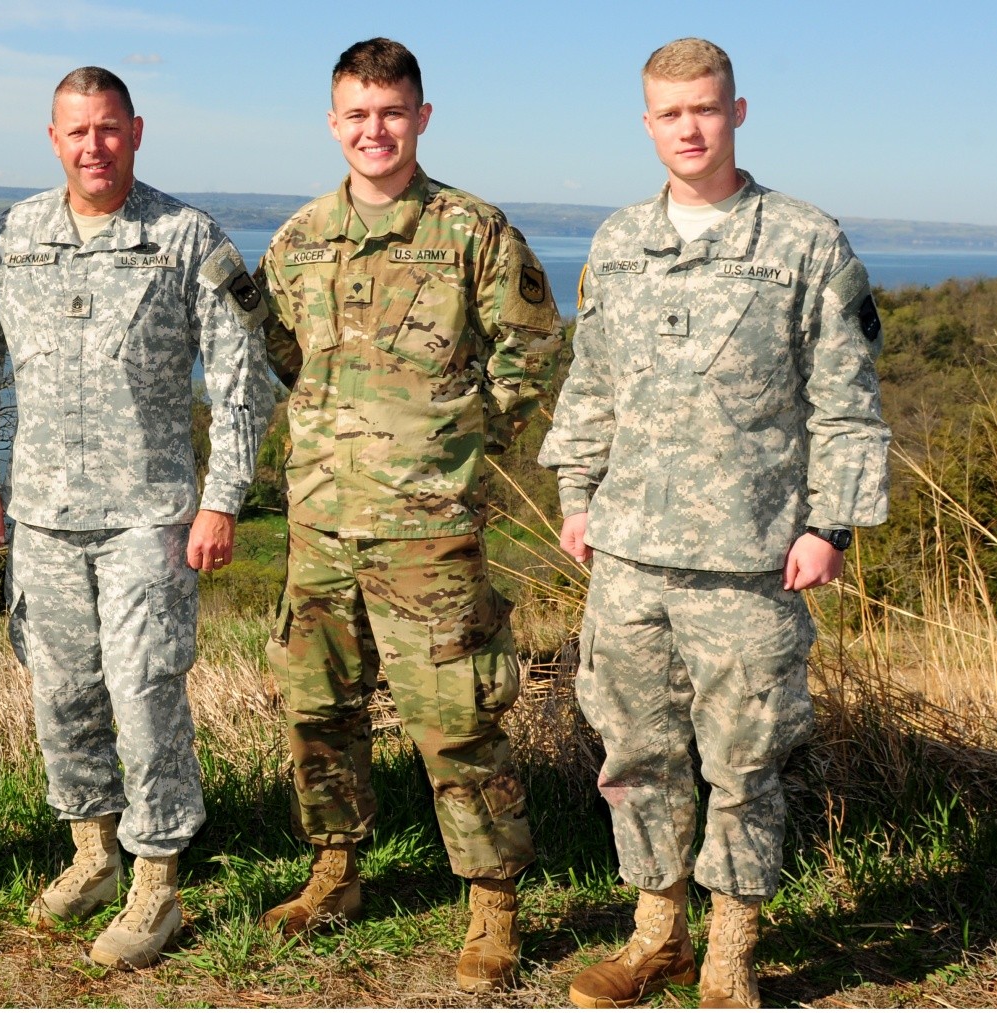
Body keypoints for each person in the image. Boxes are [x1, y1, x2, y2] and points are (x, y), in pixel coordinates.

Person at [539, 38, 889, 1009]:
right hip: (631, 555)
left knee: (746, 755)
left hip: (753, 554)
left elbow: (849, 398)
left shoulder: (804, 241)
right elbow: (592, 381)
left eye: (705, 108)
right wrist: (577, 494)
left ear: (738, 112)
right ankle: (655, 932)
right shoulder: (617, 242)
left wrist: (831, 523)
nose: (688, 128)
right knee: (632, 750)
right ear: (646, 122)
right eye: (669, 112)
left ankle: (730, 950)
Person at [252, 37, 563, 992]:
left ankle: (492, 907)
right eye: (356, 113)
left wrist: (458, 453)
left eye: (391, 112)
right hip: (319, 524)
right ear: (333, 121)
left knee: (456, 718)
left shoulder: (472, 230)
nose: (373, 130)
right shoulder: (299, 238)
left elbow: (535, 351)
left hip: (430, 531)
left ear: (421, 117)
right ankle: (336, 870)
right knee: (316, 707)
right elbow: (282, 354)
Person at [0, 66, 271, 970]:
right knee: (62, 692)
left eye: (109, 128)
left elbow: (243, 373)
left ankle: (157, 879)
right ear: (53, 138)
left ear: (137, 131)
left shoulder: (185, 237)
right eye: (76, 130)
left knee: (144, 691)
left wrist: (222, 496)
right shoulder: (12, 236)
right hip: (43, 513)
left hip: (151, 513)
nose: (94, 145)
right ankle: (93, 851)